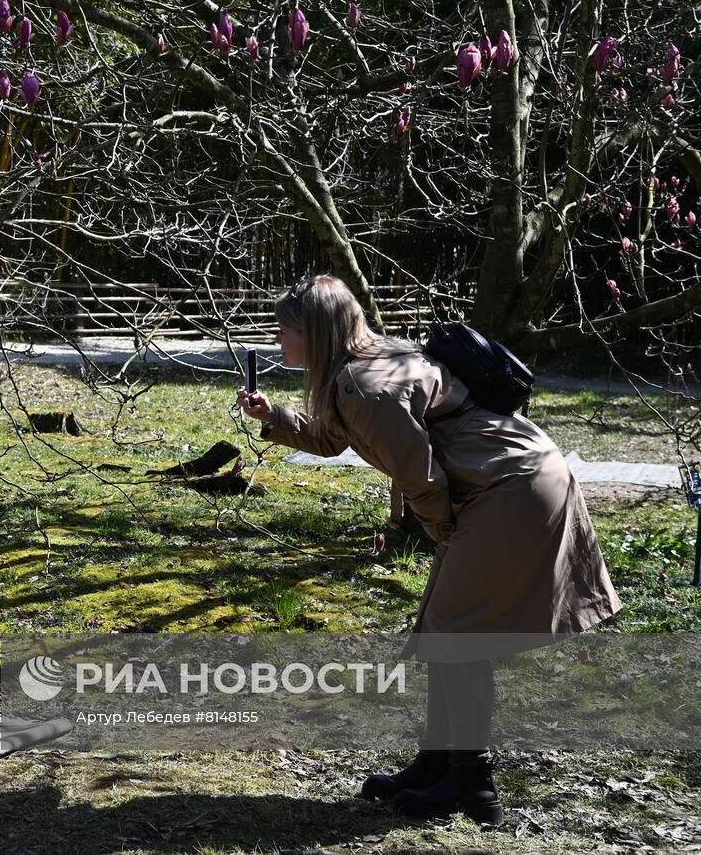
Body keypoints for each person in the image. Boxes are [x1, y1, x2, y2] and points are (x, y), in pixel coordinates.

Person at [238, 274, 621, 825]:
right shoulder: (364, 367)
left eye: (286, 330)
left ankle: (472, 786)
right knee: (441, 632)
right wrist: (273, 417)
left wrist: (442, 532)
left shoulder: (365, 385)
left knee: (456, 637)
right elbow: (333, 439)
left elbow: (419, 476)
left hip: (508, 485)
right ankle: (438, 764)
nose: (279, 341)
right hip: (503, 477)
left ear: (317, 333)